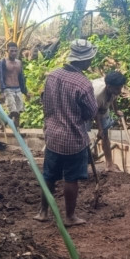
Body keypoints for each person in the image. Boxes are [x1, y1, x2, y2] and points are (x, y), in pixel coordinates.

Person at [35, 39, 99, 227]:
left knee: (49, 175)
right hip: (74, 139)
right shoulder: (83, 84)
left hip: (53, 136)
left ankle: (43, 211)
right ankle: (70, 216)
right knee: (71, 178)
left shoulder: (52, 76)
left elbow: (45, 102)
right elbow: (90, 112)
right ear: (83, 60)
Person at [91, 71, 127, 172]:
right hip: (87, 108)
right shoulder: (97, 94)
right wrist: (100, 129)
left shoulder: (114, 89)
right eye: (117, 89)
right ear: (108, 86)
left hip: (102, 108)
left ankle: (109, 164)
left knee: (105, 136)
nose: (120, 91)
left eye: (120, 87)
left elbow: (113, 98)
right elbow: (95, 112)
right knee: (85, 133)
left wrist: (116, 111)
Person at [0, 42, 29, 128]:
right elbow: (0, 78)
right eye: (11, 51)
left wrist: (25, 91)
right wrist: (1, 92)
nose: (14, 53)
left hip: (18, 88)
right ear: (7, 51)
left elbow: (21, 78)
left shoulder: (19, 63)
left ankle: (15, 130)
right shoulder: (2, 62)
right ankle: (4, 124)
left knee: (18, 112)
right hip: (8, 89)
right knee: (14, 111)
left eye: (15, 51)